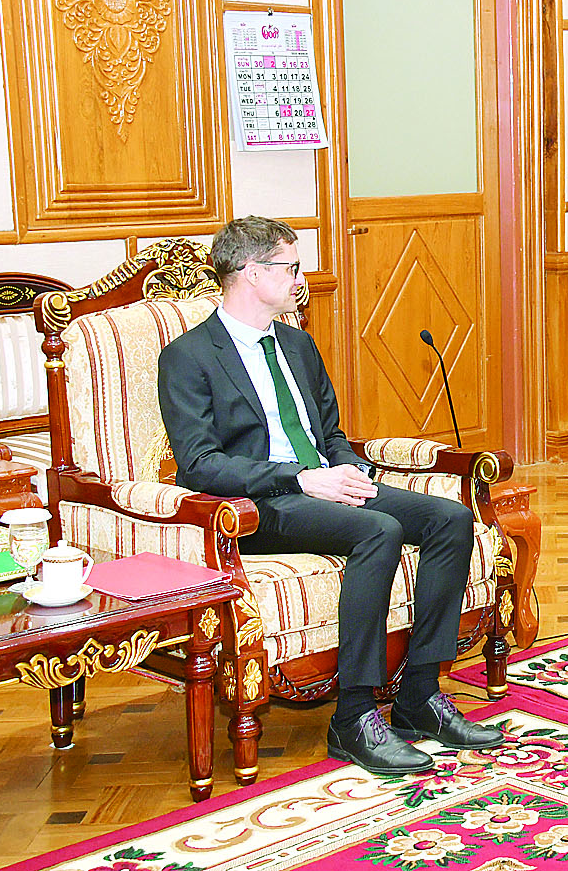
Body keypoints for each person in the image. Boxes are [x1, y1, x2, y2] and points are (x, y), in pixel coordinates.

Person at [157, 215, 503, 776]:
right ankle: (354, 717)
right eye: (290, 267)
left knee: (450, 518)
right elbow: (200, 464)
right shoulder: (189, 356)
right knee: (379, 530)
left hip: (324, 485)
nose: (301, 279)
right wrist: (299, 478)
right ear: (250, 273)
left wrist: (349, 471)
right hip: (259, 507)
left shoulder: (297, 344)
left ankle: (419, 695)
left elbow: (332, 433)